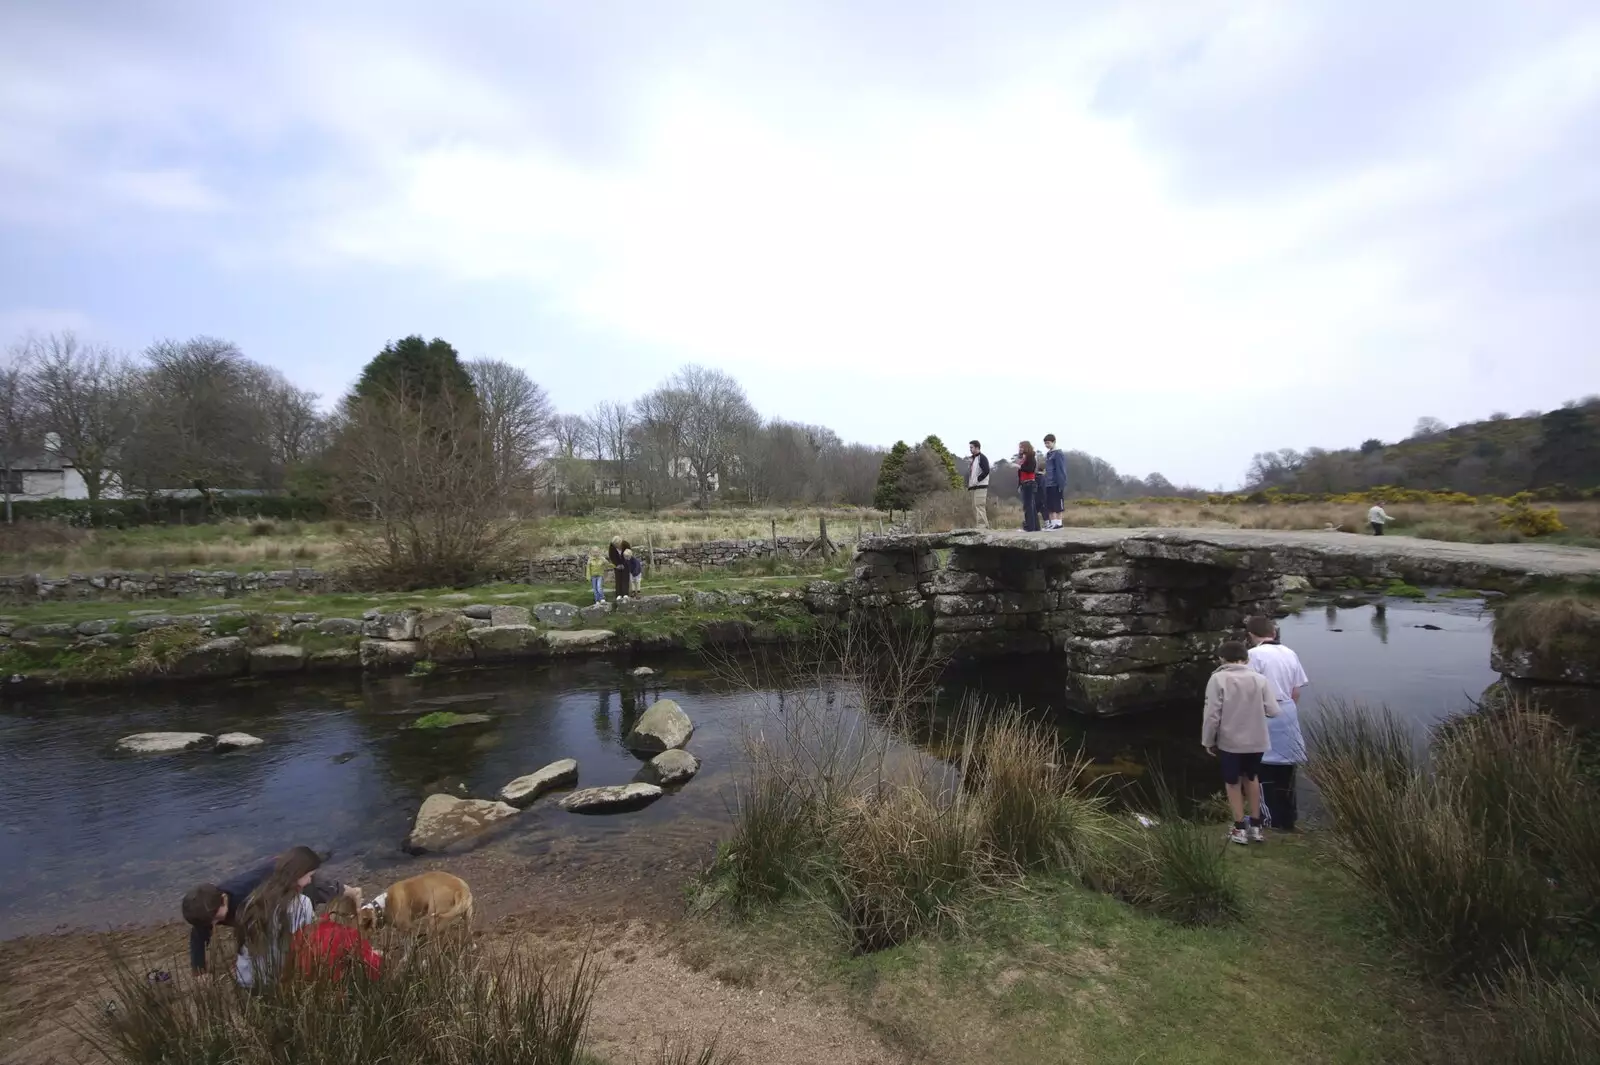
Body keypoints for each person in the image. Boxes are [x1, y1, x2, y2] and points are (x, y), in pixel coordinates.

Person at [182, 848, 358, 975]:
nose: (213, 925)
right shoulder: (208, 909)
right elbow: (198, 935)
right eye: (209, 923)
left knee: (320, 891)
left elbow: (278, 872)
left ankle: (351, 891)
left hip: (283, 872)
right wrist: (199, 971)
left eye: (215, 919)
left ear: (224, 898)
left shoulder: (245, 890)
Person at [1201, 640, 1280, 845]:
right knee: (1252, 778)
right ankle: (1256, 826)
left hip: (1231, 742)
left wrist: (1208, 741)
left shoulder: (1217, 679)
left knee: (1232, 782)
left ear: (1221, 658)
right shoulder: (1260, 679)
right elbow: (1273, 710)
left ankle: (1239, 828)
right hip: (1257, 741)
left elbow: (1212, 715)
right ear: (1247, 658)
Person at [1246, 616, 1309, 832]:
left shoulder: (1253, 655)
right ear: (1273, 633)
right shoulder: (1289, 652)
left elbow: (1250, 690)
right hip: (1288, 712)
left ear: (1251, 635)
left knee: (1262, 768)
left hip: (1265, 713)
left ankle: (1269, 819)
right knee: (1286, 770)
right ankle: (1288, 819)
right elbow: (1296, 690)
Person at [233, 846, 326, 988]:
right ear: (299, 874)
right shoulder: (301, 904)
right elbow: (303, 946)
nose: (309, 881)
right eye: (309, 876)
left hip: (246, 977)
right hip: (273, 981)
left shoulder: (254, 898)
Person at [1041, 434, 1068, 530]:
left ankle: (1059, 523)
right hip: (1048, 483)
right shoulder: (1048, 454)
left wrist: (1061, 483)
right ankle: (1053, 523)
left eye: (1048, 443)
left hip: (1056, 483)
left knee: (1057, 504)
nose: (1047, 445)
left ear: (1053, 442)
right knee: (1050, 504)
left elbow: (1060, 469)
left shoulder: (1058, 453)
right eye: (1045, 443)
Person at [1015, 441, 1039, 532]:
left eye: (1022, 447)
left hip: (1029, 483)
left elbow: (1031, 469)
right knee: (1031, 505)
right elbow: (1020, 474)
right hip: (1024, 483)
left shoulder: (1031, 457)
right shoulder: (1022, 459)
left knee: (1028, 506)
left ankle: (1030, 527)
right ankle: (1035, 527)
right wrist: (1019, 485)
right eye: (1019, 447)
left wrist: (1020, 467)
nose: (1020, 449)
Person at [967, 440, 990, 529]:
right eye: (970, 447)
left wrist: (977, 480)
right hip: (973, 486)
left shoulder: (982, 458)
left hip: (981, 485)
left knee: (979, 505)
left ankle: (982, 526)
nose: (970, 449)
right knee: (974, 506)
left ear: (977, 447)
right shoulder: (973, 459)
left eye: (971, 447)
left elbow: (986, 471)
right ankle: (980, 525)